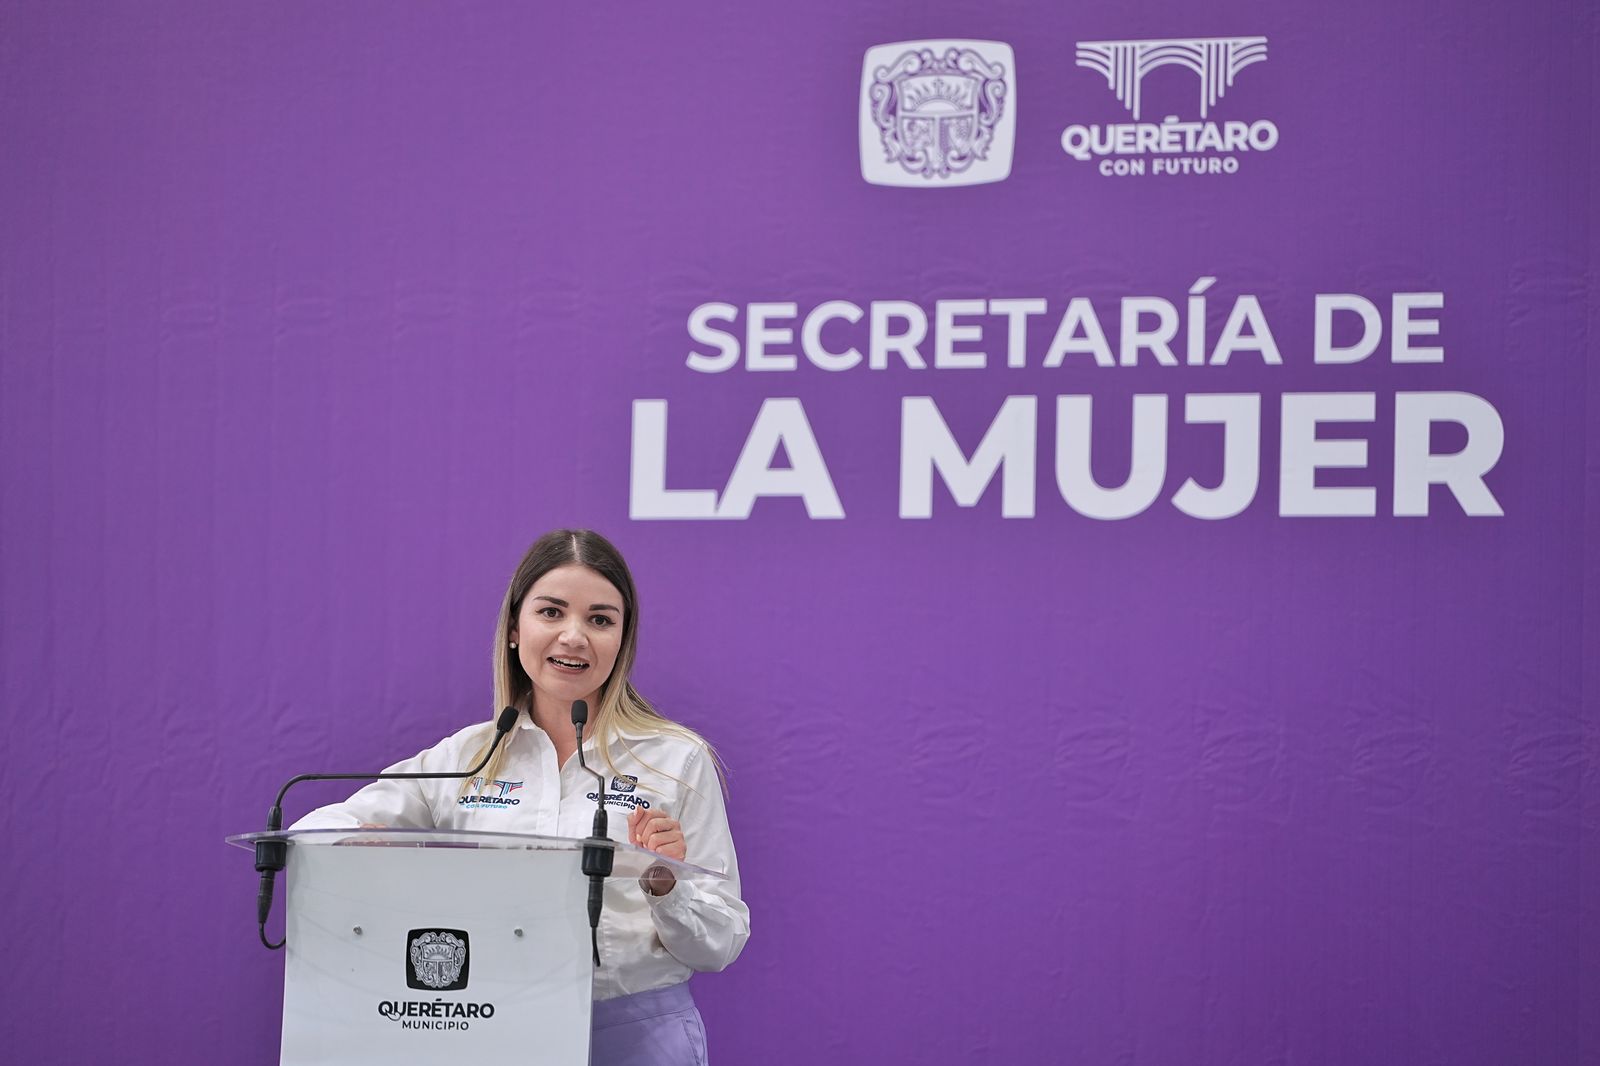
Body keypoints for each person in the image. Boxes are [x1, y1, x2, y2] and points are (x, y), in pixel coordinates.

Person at [291, 529, 748, 1065]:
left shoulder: (675, 759)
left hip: (631, 1034)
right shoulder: (466, 758)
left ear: (622, 640)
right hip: (490, 1027)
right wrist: (362, 849)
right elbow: (313, 830)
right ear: (514, 628)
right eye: (551, 612)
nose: (574, 636)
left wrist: (665, 885)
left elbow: (720, 944)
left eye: (600, 620)